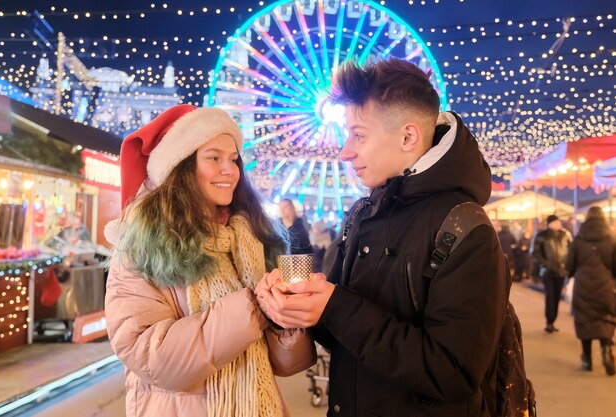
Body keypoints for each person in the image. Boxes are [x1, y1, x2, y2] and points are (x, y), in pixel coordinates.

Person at [256, 57, 511, 416]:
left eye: (359, 134)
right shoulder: (363, 213)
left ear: (408, 136)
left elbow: (454, 373)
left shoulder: (466, 229)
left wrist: (335, 306)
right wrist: (298, 306)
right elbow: (343, 333)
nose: (345, 151)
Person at [104, 105, 316, 417]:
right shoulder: (143, 247)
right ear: (181, 167)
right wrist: (252, 308)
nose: (230, 170)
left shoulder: (254, 239)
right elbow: (151, 358)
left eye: (233, 159)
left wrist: (284, 320)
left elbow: (288, 365)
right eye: (214, 158)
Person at [565, 206, 616, 375]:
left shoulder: (578, 240)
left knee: (584, 320)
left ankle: (587, 359)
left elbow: (569, 265)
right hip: (605, 286)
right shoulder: (611, 239)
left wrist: (571, 275)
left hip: (583, 285)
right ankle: (606, 349)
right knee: (606, 317)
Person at [532, 214, 571, 333]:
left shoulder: (564, 235)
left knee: (557, 297)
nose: (558, 223)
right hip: (547, 272)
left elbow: (570, 250)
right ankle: (549, 322)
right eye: (556, 222)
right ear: (549, 223)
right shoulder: (541, 236)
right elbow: (536, 253)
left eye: (558, 221)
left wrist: (567, 264)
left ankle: (553, 320)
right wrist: (545, 264)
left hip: (561, 271)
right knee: (550, 296)